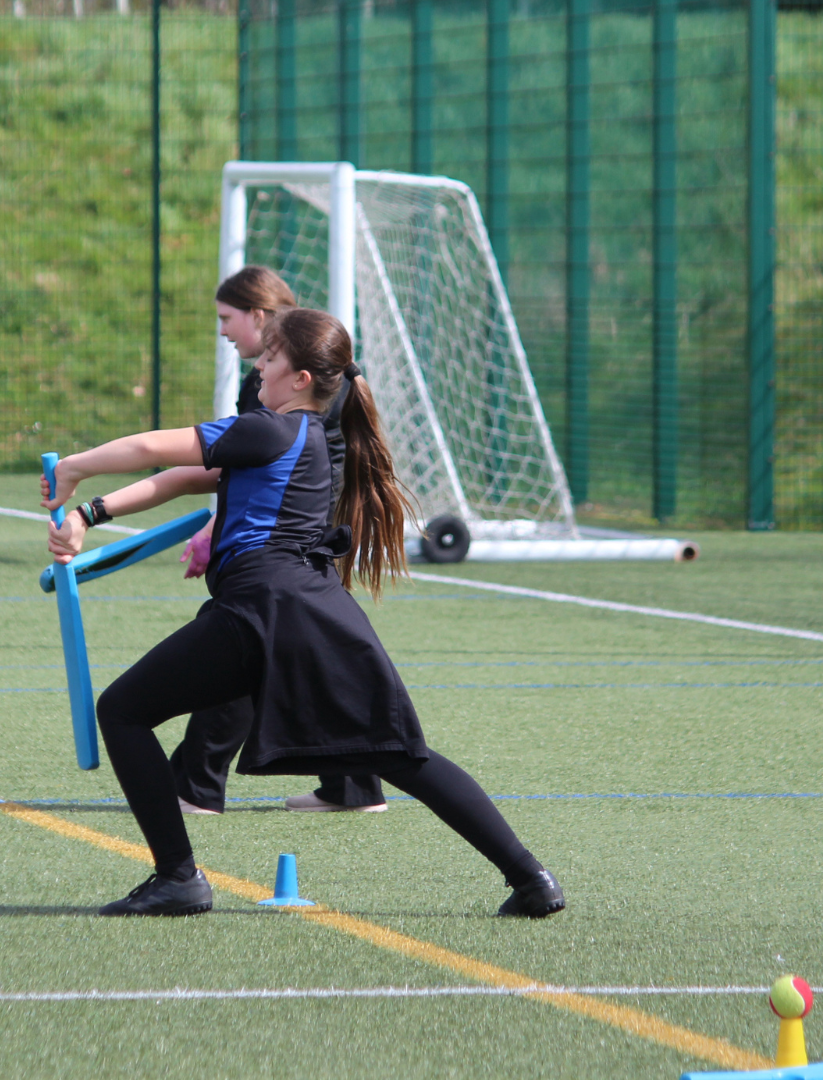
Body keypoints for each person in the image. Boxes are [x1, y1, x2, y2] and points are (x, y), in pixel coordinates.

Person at [43, 307, 565, 920]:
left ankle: (178, 879)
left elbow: (152, 447)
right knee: (399, 756)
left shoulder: (271, 430)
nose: (257, 365)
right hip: (313, 612)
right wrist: (90, 514)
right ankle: (531, 878)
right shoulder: (301, 437)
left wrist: (76, 467)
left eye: (269, 356)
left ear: (300, 378)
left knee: (123, 710)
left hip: (264, 608)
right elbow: (183, 478)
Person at [174, 265, 387, 816]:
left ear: (259, 317)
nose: (223, 331)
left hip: (295, 536)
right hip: (312, 530)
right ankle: (353, 783)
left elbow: (250, 469)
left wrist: (213, 529)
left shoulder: (284, 377)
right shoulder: (299, 368)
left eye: (227, 319)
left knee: (247, 645)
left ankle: (195, 785)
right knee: (313, 653)